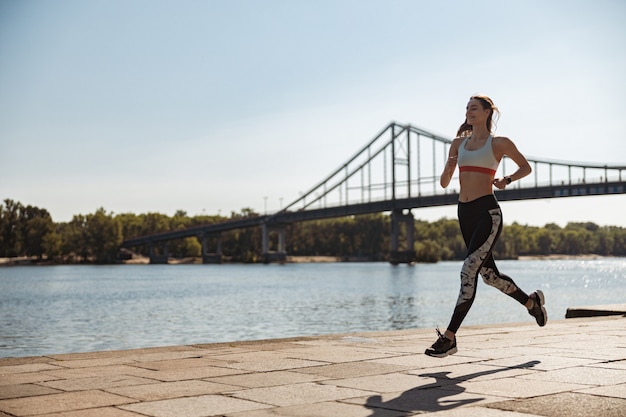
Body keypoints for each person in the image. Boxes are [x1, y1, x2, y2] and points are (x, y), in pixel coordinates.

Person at [425, 95, 547, 358]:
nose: (468, 112)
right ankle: (531, 303)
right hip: (464, 213)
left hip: (487, 213)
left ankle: (449, 338)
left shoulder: (499, 143)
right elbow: (445, 183)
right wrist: (449, 165)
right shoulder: (458, 143)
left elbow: (525, 167)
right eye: (466, 108)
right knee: (489, 276)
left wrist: (507, 179)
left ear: (487, 112)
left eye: (474, 108)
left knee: (469, 270)